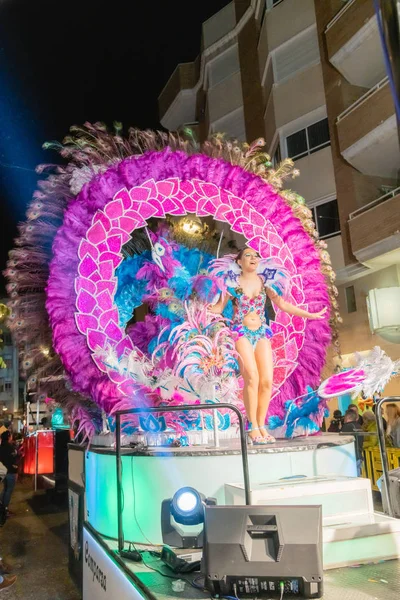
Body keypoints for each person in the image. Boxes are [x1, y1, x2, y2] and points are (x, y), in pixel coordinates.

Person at [210, 248, 327, 444]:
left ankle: (261, 425)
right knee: (252, 377)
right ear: (239, 262)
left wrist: (310, 315)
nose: (253, 258)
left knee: (266, 381)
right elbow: (218, 309)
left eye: (255, 256)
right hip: (241, 333)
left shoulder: (265, 283)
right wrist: (198, 310)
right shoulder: (231, 284)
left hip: (262, 333)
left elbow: (283, 304)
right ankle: (252, 426)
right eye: (248, 255)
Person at [0, 431, 19, 515]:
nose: (11, 437)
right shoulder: (10, 447)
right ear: (8, 437)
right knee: (8, 491)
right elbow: (14, 459)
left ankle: (2, 508)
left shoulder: (1, 447)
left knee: (5, 489)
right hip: (10, 472)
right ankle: (5, 510)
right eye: (10, 436)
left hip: (3, 472)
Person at [341, 409, 363, 475]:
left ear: (347, 417)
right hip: (358, 455)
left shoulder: (347, 427)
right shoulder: (359, 426)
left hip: (351, 457)